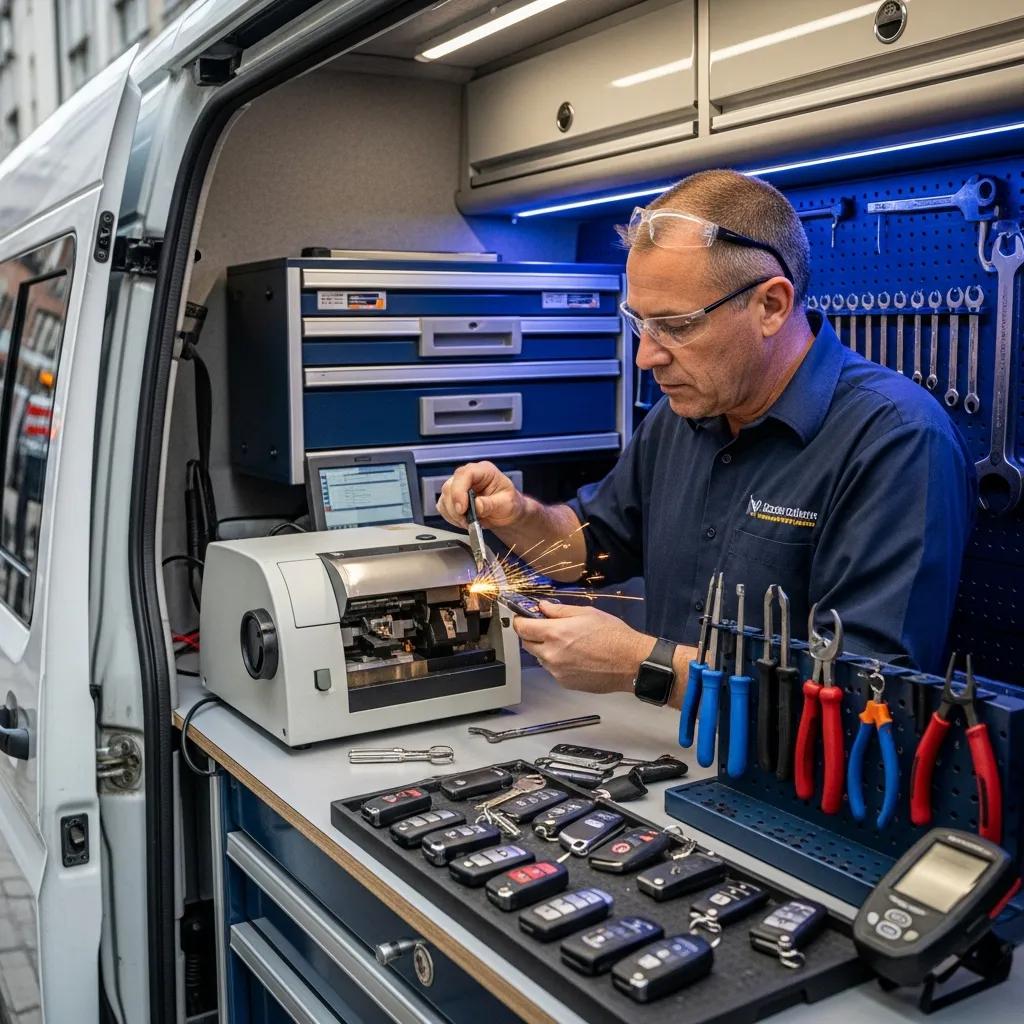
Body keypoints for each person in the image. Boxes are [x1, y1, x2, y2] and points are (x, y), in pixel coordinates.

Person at [437, 169, 975, 709]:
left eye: (677, 325)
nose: (648, 356)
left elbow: (866, 696)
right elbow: (594, 543)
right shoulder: (683, 413)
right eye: (640, 323)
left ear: (771, 306)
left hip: (805, 786)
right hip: (670, 756)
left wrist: (641, 664)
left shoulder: (895, 441)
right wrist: (516, 515)